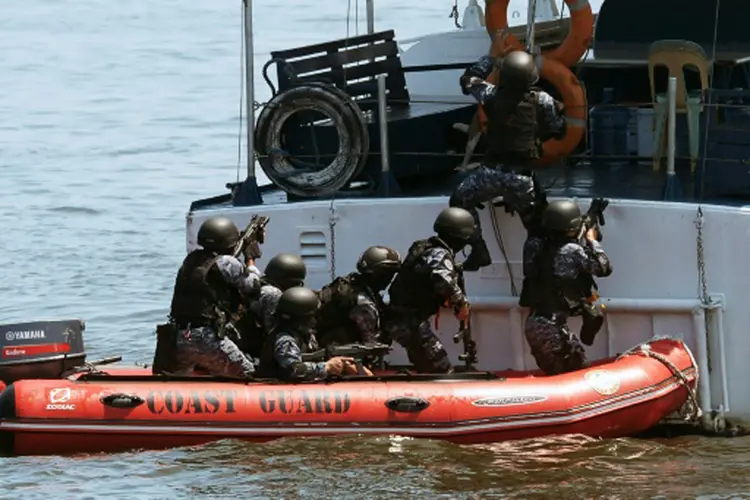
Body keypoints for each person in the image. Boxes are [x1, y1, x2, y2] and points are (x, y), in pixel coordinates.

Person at [450, 49, 567, 271]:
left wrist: (490, 60)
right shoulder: (542, 99)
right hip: (522, 179)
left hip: (490, 174)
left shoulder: (490, 94)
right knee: (536, 229)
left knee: (459, 200)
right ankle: (531, 278)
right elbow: (559, 130)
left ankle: (478, 249)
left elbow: (467, 80)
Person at [522, 199, 613, 375]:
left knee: (559, 374)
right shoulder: (572, 250)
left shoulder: (534, 245)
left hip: (534, 324)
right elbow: (604, 268)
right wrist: (592, 241)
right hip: (552, 328)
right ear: (571, 228)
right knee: (579, 372)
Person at [383, 207, 475, 373]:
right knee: (440, 367)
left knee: (427, 364)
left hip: (402, 317)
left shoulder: (426, 248)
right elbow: (443, 281)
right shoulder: (439, 253)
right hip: (409, 320)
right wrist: (461, 303)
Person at [166, 216, 259, 378]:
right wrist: (250, 259)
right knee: (248, 374)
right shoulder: (228, 262)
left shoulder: (191, 259)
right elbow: (253, 287)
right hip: (205, 337)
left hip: (179, 335)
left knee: (183, 378)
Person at [258, 286, 365, 381]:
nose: (314, 321)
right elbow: (294, 370)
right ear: (300, 319)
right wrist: (326, 367)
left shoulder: (303, 336)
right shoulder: (285, 340)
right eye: (311, 317)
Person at [316, 246, 401, 347]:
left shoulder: (351, 284)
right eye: (388, 273)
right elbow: (372, 343)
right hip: (337, 351)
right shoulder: (362, 301)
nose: (389, 279)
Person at [237, 252, 307, 359]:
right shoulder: (274, 294)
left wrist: (250, 259)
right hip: (253, 348)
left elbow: (252, 271)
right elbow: (273, 331)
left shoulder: (259, 285)